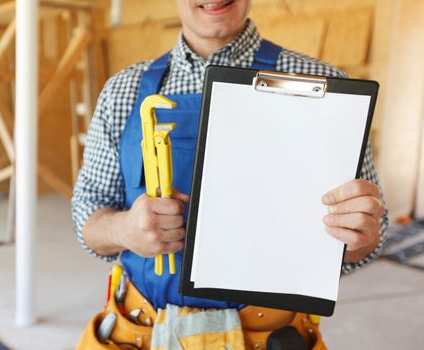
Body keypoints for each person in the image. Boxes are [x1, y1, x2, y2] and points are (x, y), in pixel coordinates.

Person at [73, 0, 389, 348]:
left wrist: (359, 233)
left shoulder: (323, 85)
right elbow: (88, 216)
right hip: (140, 331)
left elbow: (367, 240)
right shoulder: (123, 91)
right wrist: (124, 228)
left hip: (269, 336)